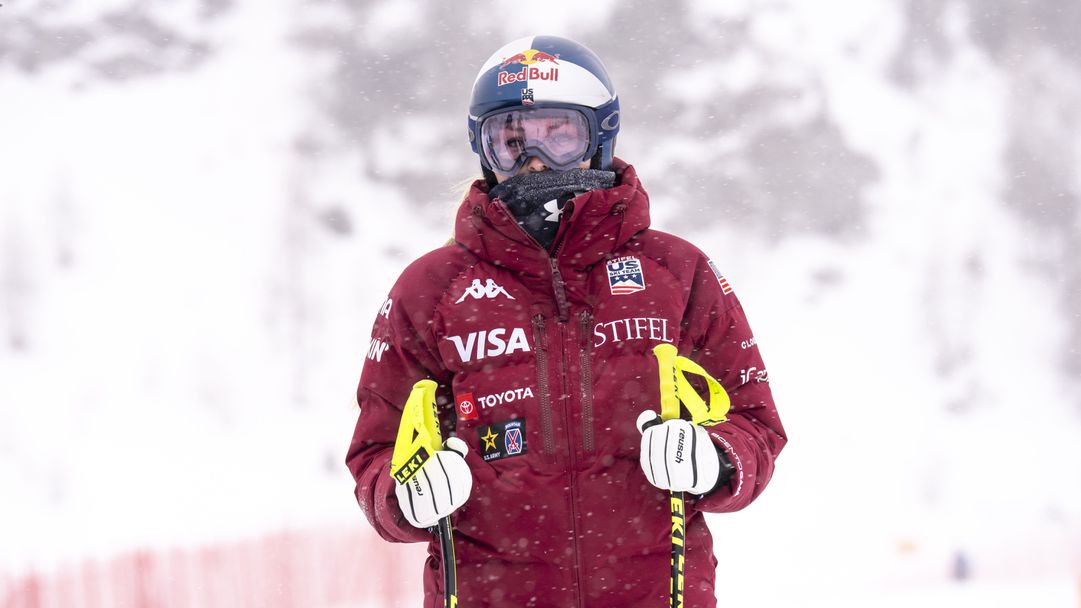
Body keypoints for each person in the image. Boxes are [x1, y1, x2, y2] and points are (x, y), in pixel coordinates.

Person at [346, 35, 787, 608]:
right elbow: (374, 454)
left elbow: (755, 423)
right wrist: (405, 495)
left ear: (601, 136)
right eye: (510, 140)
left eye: (560, 134)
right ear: (482, 148)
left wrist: (716, 457)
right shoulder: (431, 290)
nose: (534, 159)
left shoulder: (675, 273)